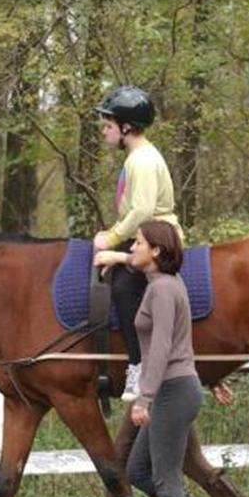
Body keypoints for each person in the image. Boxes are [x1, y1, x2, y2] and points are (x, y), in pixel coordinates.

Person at [94, 220, 219, 497]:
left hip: (172, 390)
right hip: (174, 387)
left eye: (139, 243)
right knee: (137, 471)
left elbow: (163, 347)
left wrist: (143, 398)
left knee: (166, 479)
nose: (132, 248)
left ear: (157, 251)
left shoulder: (162, 290)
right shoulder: (162, 286)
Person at [92, 84, 181, 402]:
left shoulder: (141, 160)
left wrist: (112, 239)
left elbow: (142, 210)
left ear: (126, 127)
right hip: (145, 232)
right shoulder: (137, 156)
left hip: (156, 234)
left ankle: (139, 365)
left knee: (124, 288)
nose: (104, 131)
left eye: (109, 124)